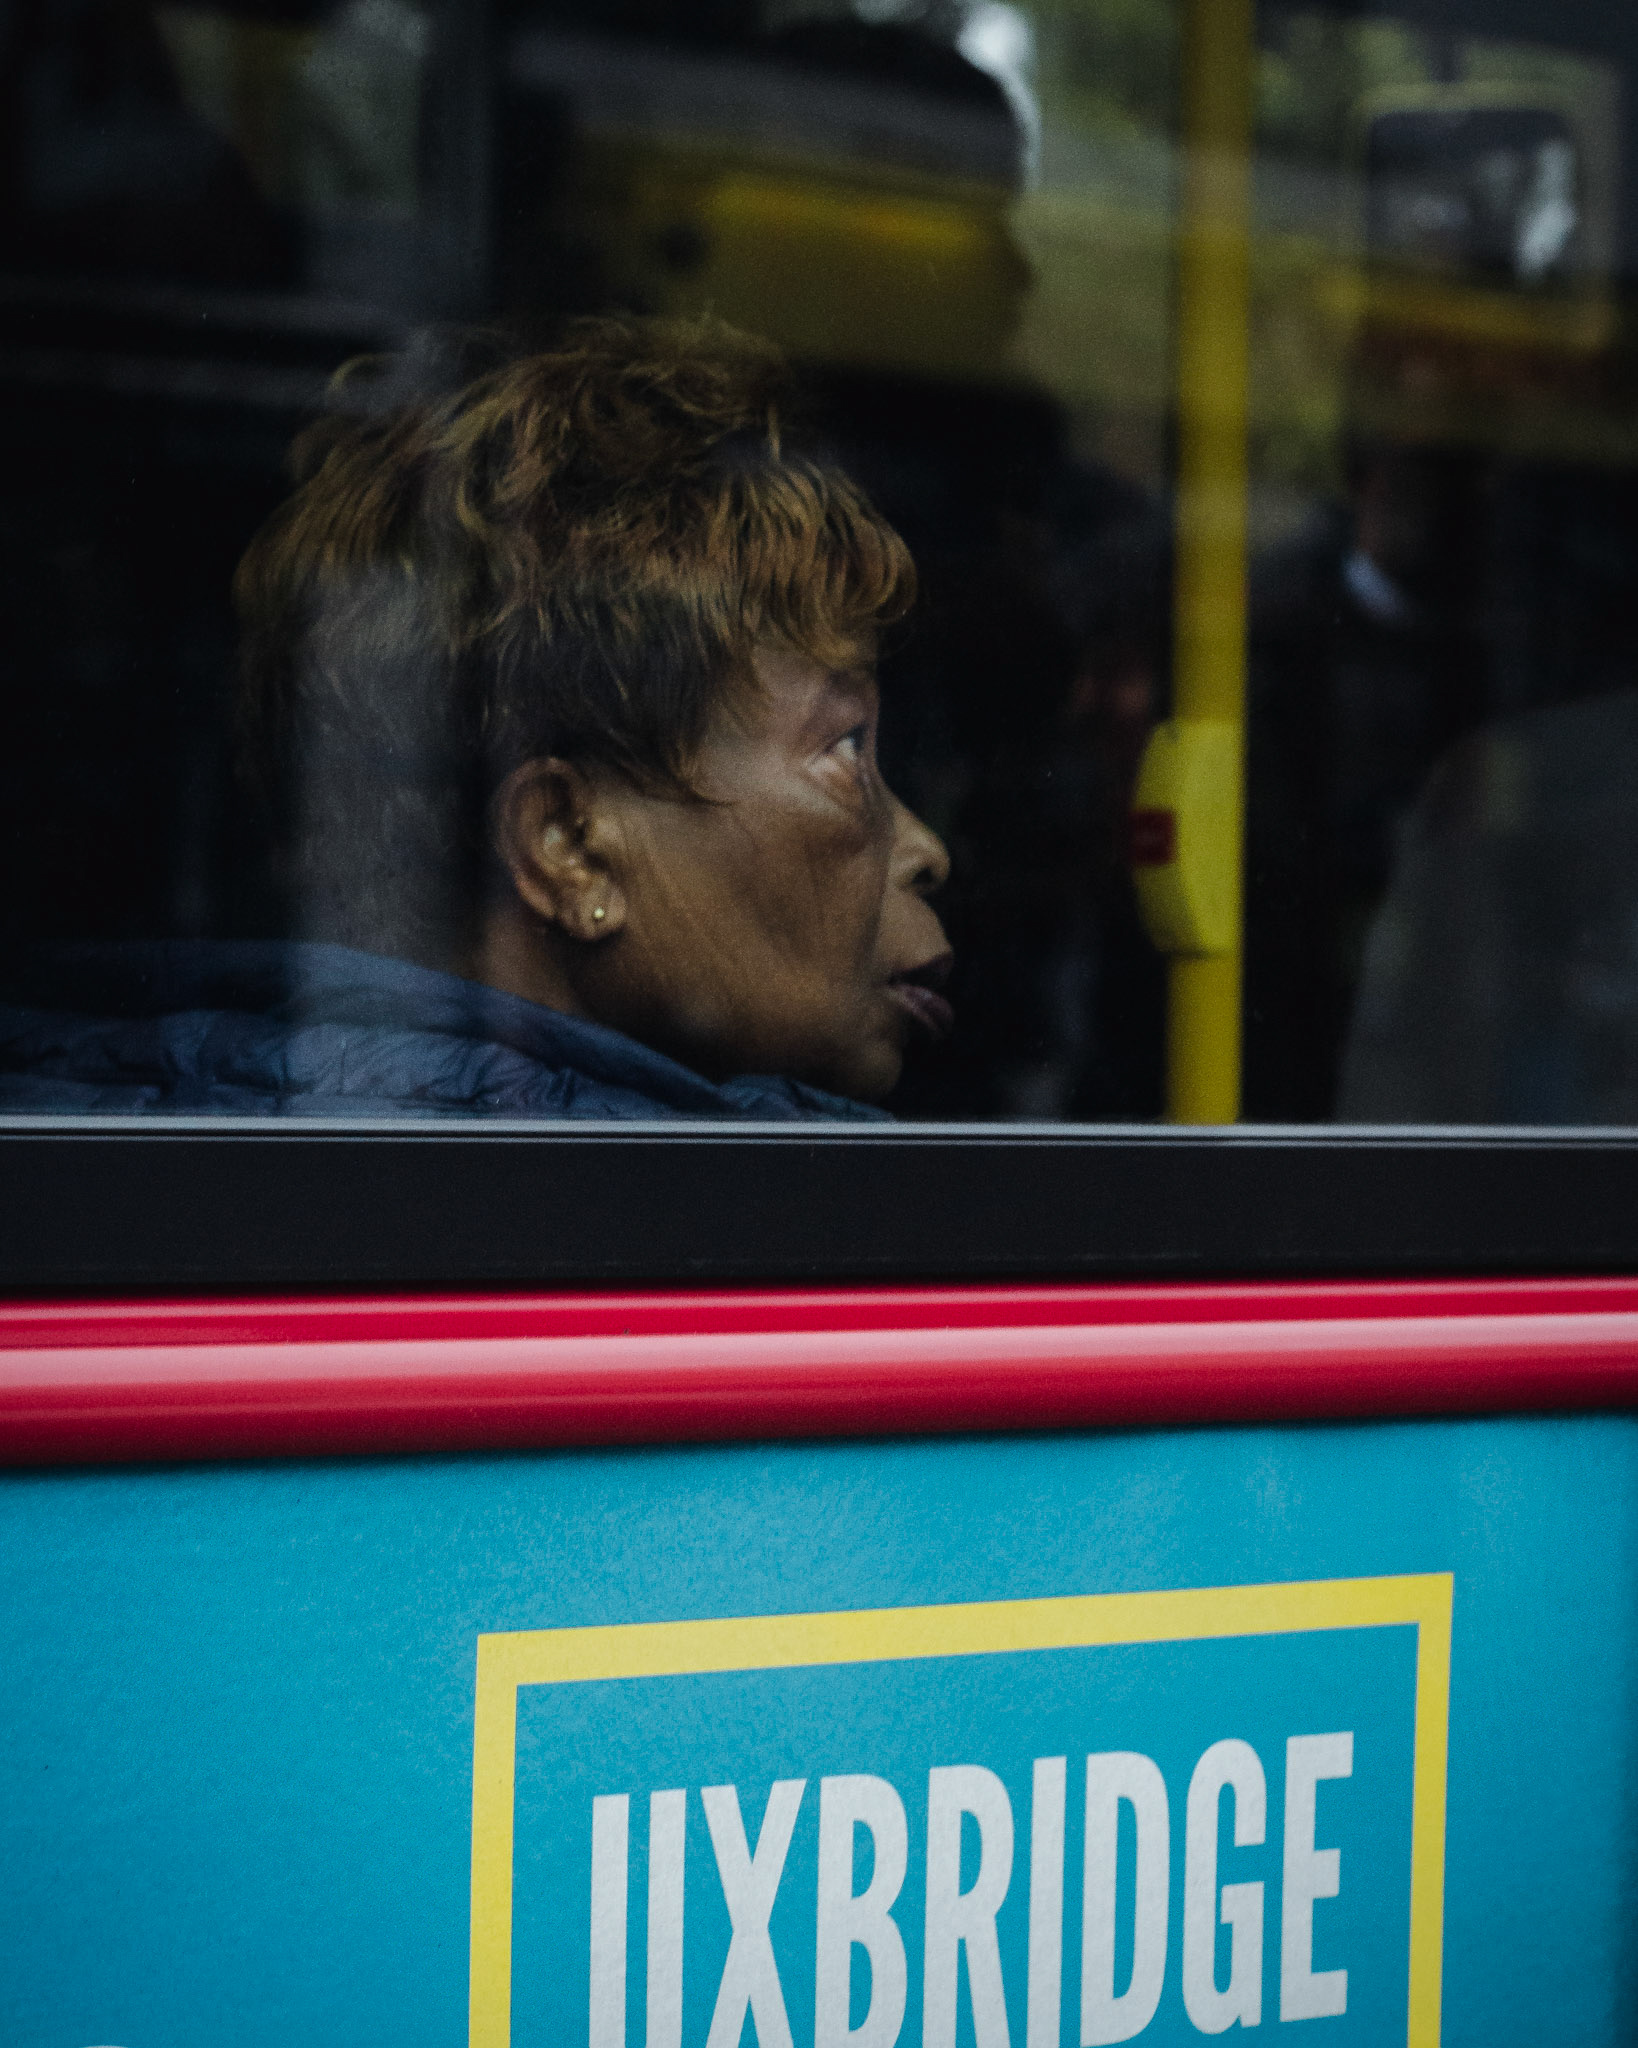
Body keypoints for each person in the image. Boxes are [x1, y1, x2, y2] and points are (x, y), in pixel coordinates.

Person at [0, 317, 953, 1119]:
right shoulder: (602, 1223)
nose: (924, 850)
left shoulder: (165, 1140)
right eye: (845, 746)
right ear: (566, 843)